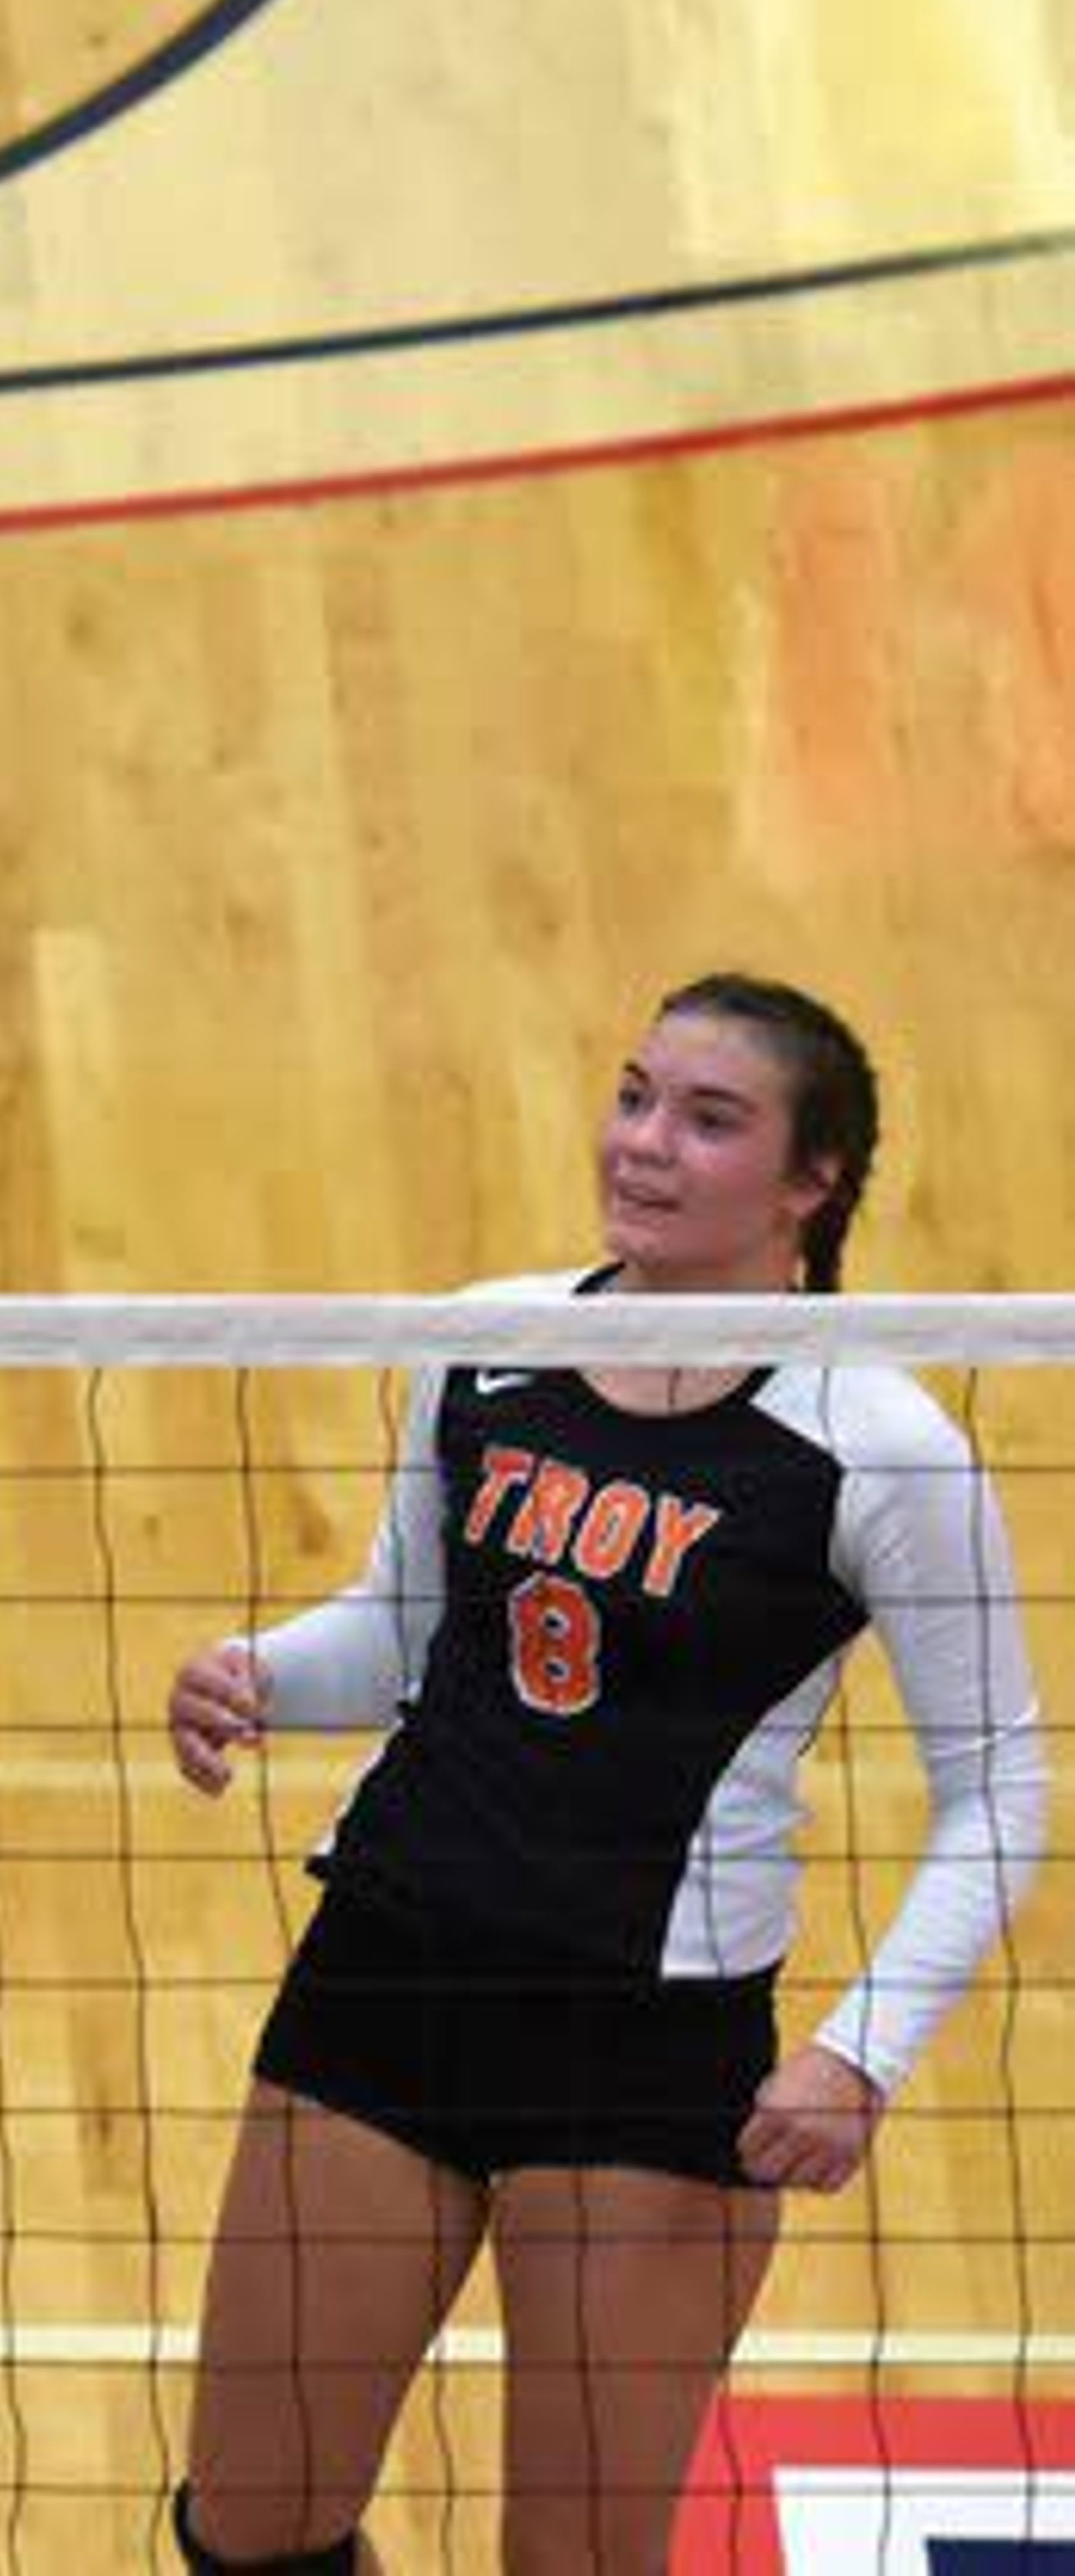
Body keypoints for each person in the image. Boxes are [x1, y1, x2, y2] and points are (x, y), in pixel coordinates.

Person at [163, 976, 1050, 2576]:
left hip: (645, 2043)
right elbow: (407, 1631)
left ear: (811, 1182)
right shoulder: (492, 1338)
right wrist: (263, 1675)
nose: (643, 1143)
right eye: (636, 1095)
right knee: (246, 2532)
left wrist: (861, 2051)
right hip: (390, 1973)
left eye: (709, 1121)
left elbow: (1004, 1792)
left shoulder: (879, 1444)